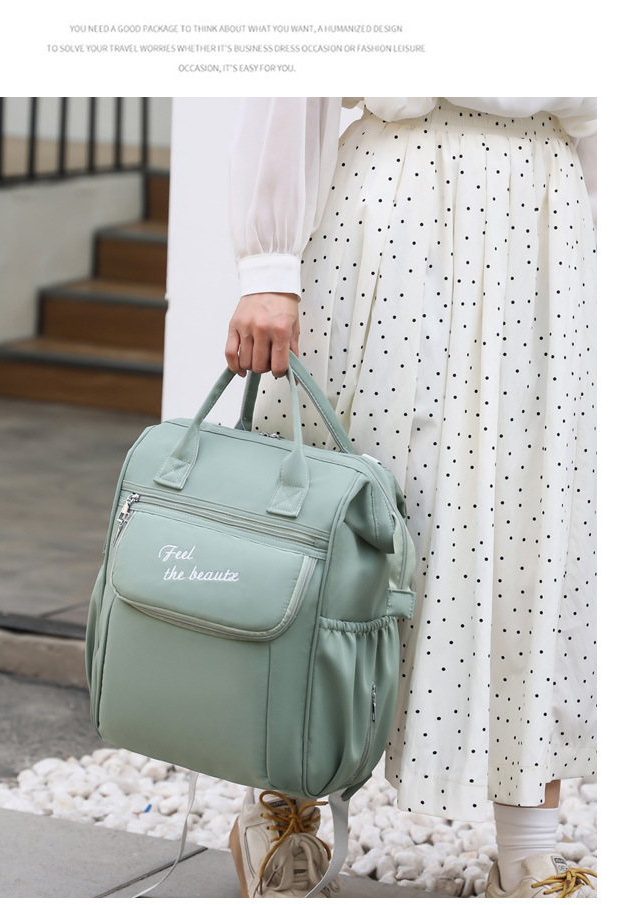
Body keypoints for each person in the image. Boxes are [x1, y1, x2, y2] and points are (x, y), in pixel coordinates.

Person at [224, 98, 597, 898]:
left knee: (537, 528)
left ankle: (529, 850)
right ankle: (280, 804)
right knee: (340, 523)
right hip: (399, 210)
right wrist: (269, 265)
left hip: (549, 221)